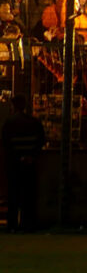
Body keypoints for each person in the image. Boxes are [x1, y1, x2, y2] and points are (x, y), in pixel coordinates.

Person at [2, 95, 47, 231]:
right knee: (28, 195)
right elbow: (41, 141)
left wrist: (16, 158)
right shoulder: (34, 122)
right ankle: (27, 223)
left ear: (14, 107)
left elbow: (6, 144)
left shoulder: (9, 123)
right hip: (30, 164)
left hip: (14, 164)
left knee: (13, 195)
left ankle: (12, 224)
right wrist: (31, 156)